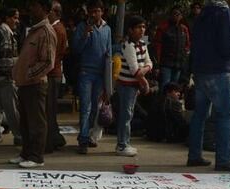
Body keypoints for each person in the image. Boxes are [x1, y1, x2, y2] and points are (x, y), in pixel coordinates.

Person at [187, 0, 230, 172]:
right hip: (219, 70)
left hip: (201, 70)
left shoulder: (203, 13)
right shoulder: (225, 12)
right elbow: (228, 45)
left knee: (200, 115)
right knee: (225, 115)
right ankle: (224, 160)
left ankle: (194, 155)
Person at [10, 0, 57, 168]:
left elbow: (48, 62)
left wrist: (29, 74)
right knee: (26, 121)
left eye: (35, 6)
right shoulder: (34, 30)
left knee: (36, 121)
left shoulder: (46, 31)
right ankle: (26, 153)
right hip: (25, 84)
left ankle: (37, 157)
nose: (31, 8)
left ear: (45, 9)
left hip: (35, 84)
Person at [72, 0, 111, 154]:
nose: (94, 14)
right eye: (91, 11)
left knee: (95, 107)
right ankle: (83, 139)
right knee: (85, 107)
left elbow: (108, 53)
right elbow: (76, 49)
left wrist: (109, 80)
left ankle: (88, 135)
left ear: (102, 11)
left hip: (100, 75)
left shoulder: (107, 29)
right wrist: (85, 36)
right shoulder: (82, 27)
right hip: (86, 73)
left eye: (97, 11)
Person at [116, 15, 152, 157]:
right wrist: (144, 79)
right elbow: (134, 70)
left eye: (143, 27)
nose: (141, 30)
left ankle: (125, 142)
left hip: (134, 84)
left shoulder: (142, 44)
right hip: (126, 84)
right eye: (138, 27)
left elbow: (149, 62)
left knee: (128, 113)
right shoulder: (128, 45)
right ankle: (122, 145)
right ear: (130, 30)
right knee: (126, 114)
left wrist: (143, 71)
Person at [0, 8, 22, 146]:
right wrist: (17, 66)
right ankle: (19, 135)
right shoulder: (5, 34)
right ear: (7, 18)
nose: (17, 21)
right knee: (11, 108)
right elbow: (6, 59)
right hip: (5, 75)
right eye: (15, 17)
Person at [46, 1, 68, 153]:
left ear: (56, 13)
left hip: (52, 73)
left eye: (50, 11)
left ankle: (51, 141)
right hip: (55, 72)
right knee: (50, 109)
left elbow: (53, 55)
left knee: (49, 109)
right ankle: (56, 138)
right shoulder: (58, 28)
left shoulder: (55, 29)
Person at [154, 5, 189, 89]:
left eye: (179, 14)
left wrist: (185, 55)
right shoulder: (163, 27)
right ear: (170, 15)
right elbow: (157, 45)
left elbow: (187, 44)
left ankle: (172, 102)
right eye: (174, 14)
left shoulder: (184, 29)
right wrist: (157, 63)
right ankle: (162, 102)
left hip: (179, 64)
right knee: (165, 87)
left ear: (181, 16)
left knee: (174, 89)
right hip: (166, 63)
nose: (176, 16)